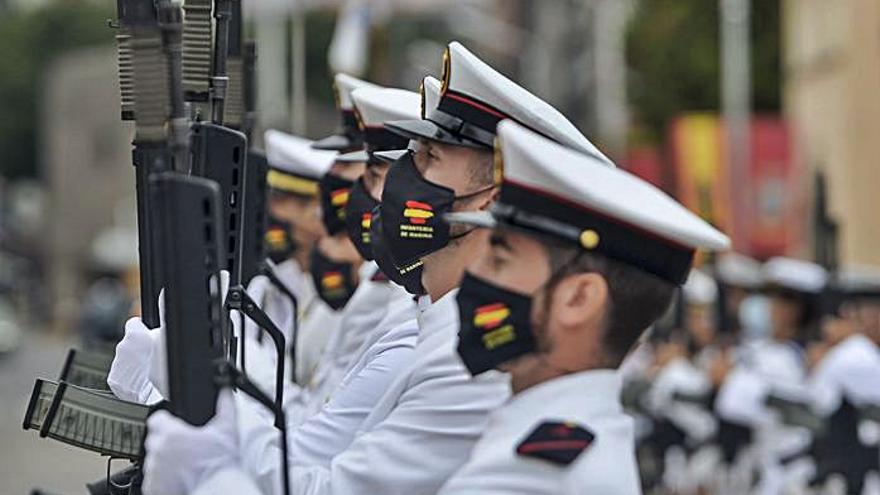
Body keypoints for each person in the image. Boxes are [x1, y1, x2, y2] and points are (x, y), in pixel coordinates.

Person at [142, 40, 609, 495]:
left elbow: (322, 482)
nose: (401, 177)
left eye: (428, 157)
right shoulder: (429, 321)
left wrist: (211, 419)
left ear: (490, 197)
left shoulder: (466, 356)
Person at [436, 120, 729, 494]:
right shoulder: (547, 438)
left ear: (578, 299)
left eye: (499, 260)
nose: (473, 274)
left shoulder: (533, 474)